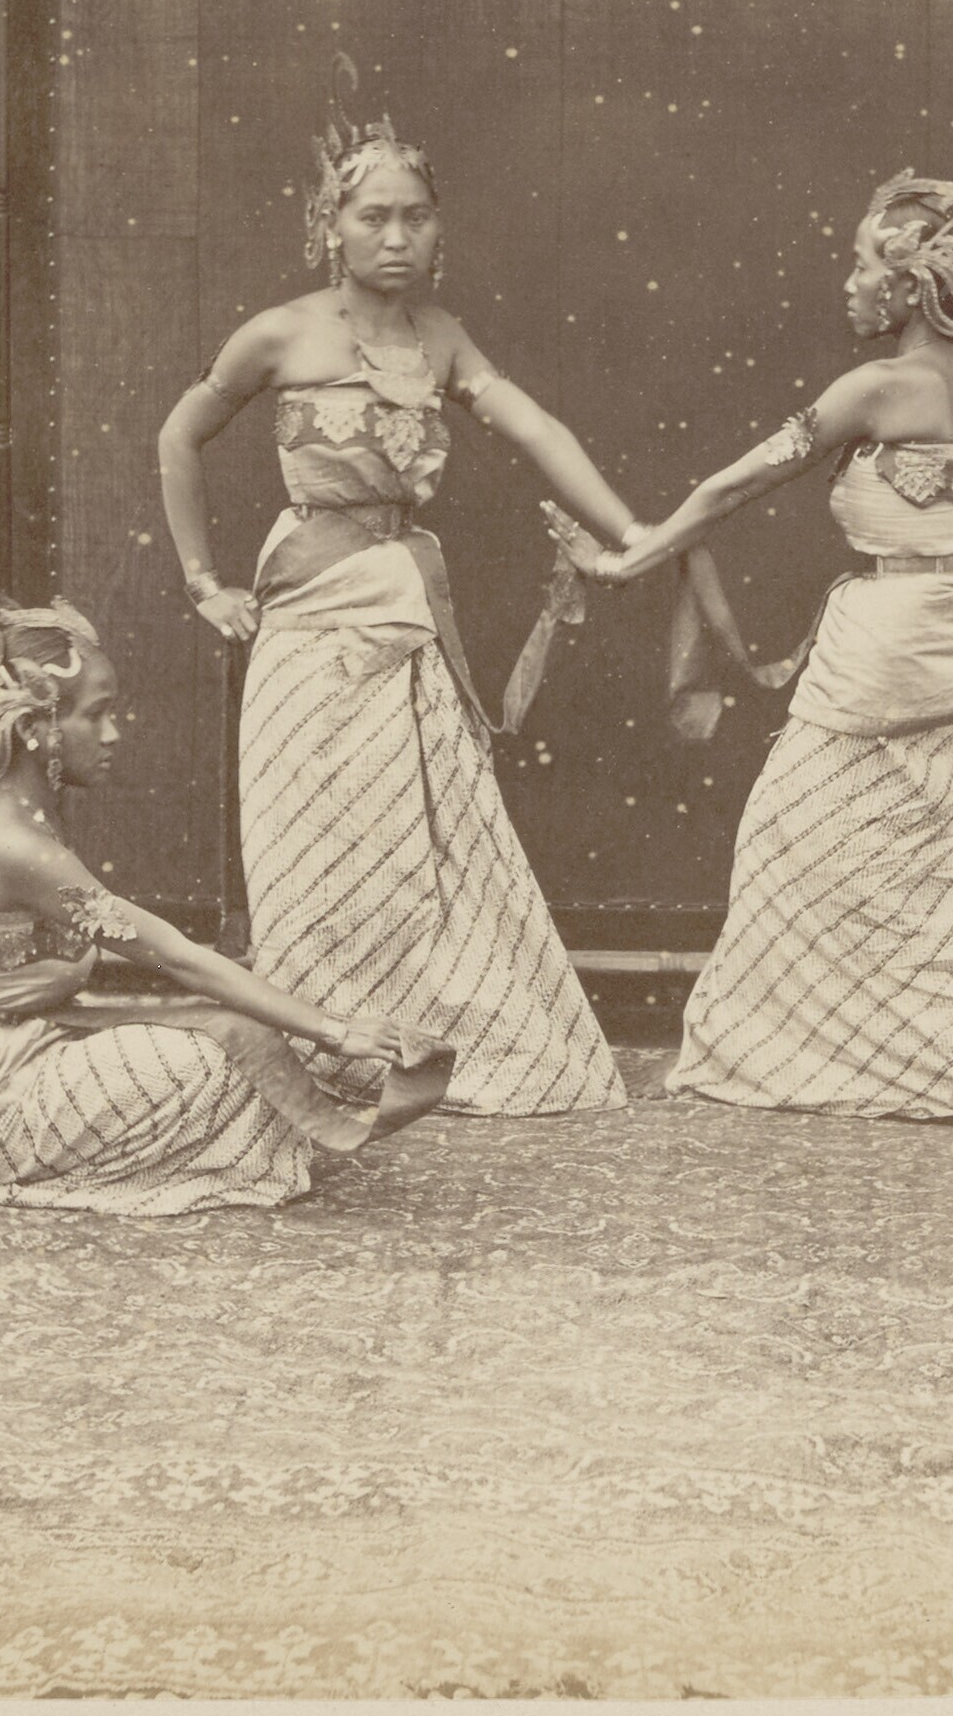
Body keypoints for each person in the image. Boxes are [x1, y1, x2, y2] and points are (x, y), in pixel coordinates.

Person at [566, 116, 953, 1119]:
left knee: (792, 836)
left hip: (882, 641)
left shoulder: (874, 388)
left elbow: (733, 487)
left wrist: (633, 558)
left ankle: (797, 1055)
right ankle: (940, 1062)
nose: (849, 285)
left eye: (861, 266)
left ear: (908, 285)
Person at [154, 80, 633, 1116]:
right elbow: (178, 435)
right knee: (308, 827)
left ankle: (415, 1039)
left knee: (413, 830)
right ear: (329, 225)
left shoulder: (443, 337)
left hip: (404, 600)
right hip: (307, 605)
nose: (396, 237)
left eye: (415, 217)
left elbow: (536, 429)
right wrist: (203, 583)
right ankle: (319, 1042)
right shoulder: (279, 333)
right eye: (373, 216)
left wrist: (632, 532)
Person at [0, 529, 449, 1217]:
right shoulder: (15, 844)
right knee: (220, 1060)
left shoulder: (27, 817)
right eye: (96, 715)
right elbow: (177, 956)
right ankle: (10, 1152)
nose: (113, 734)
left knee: (239, 1036)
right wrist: (336, 1030)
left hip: (23, 1044)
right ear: (38, 727)